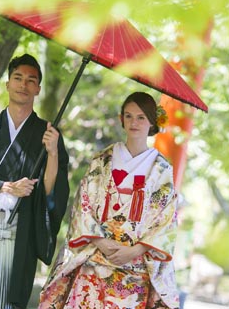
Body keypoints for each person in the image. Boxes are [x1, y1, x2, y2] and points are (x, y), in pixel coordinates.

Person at [39, 92, 180, 309]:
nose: (134, 122)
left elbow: (165, 220)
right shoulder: (101, 160)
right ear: (121, 118)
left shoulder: (161, 170)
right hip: (94, 261)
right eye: (129, 116)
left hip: (134, 268)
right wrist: (101, 242)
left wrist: (134, 251)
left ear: (152, 121)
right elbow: (83, 203)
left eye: (141, 117)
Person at [0, 54, 69, 309]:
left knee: (6, 302)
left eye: (31, 80)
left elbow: (50, 191)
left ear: (38, 89)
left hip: (20, 233)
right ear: (7, 83)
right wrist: (4, 186)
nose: (23, 85)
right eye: (18, 78)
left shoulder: (48, 135)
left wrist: (53, 152)